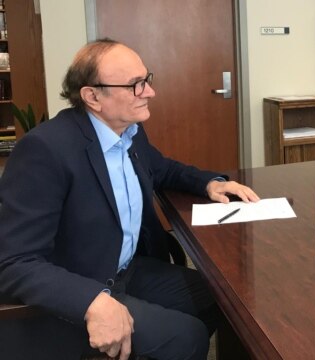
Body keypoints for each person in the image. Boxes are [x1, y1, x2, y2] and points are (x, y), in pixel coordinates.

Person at [0, 39, 260, 360]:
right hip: (78, 286)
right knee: (187, 337)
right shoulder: (46, 150)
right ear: (92, 96)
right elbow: (15, 262)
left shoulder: (129, 132)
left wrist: (209, 183)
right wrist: (91, 300)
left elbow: (162, 169)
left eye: (146, 80)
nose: (150, 92)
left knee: (224, 298)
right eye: (135, 85)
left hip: (126, 270)